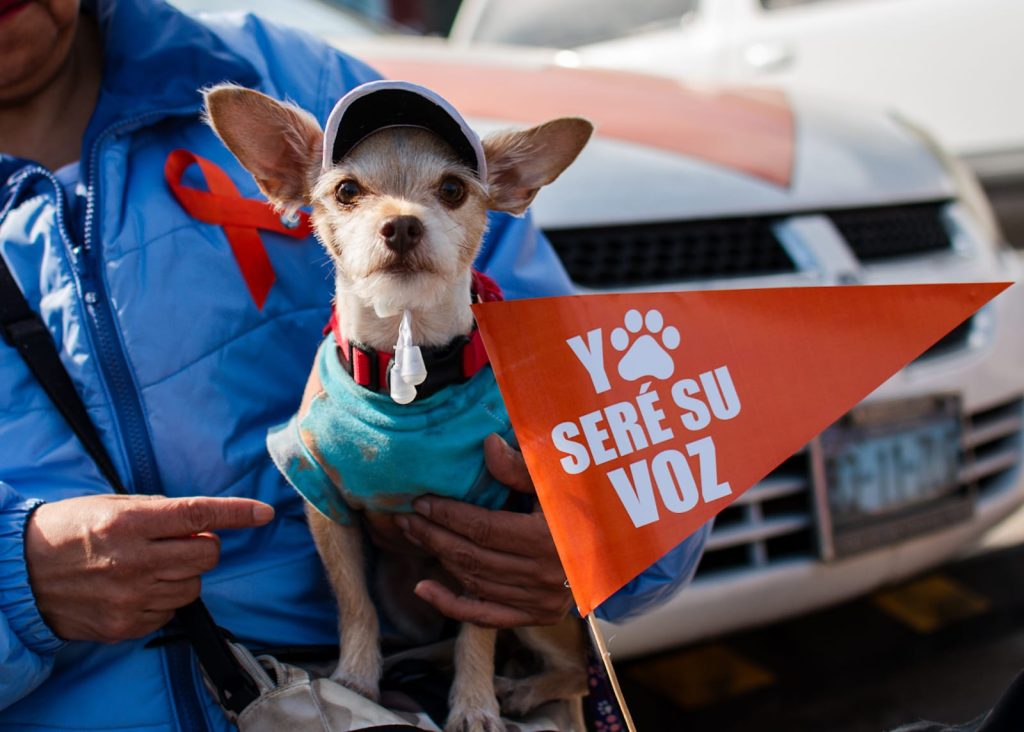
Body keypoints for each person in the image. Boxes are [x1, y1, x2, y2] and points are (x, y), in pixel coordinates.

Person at [0, 0, 711, 729]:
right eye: (350, 192)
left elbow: (609, 398)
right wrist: (14, 578)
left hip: (391, 693)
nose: (401, 215)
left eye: (445, 192)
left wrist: (592, 535)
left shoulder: (289, 78)